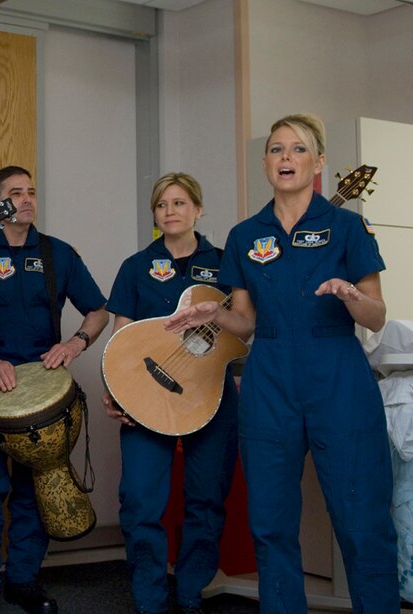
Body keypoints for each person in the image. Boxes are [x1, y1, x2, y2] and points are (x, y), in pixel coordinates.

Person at [166, 114, 398, 613]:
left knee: (362, 523)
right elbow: (245, 322)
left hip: (338, 377)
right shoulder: (247, 234)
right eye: (275, 149)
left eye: (297, 149)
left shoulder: (347, 227)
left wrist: (350, 293)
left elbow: (376, 317)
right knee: (270, 524)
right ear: (265, 162)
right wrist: (217, 311)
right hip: (269, 382)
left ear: (318, 163)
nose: (285, 158)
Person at [0, 165, 109, 614]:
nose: (26, 199)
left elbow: (98, 311)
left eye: (31, 191)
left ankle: (23, 579)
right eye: (15, 193)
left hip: (45, 389)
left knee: (37, 488)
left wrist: (76, 343)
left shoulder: (58, 255)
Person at [101, 172, 238, 614]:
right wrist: (116, 391)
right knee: (140, 501)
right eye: (162, 205)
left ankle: (191, 591)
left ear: (198, 210)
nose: (170, 212)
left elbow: (245, 327)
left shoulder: (227, 264)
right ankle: (150, 599)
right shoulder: (136, 266)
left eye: (180, 203)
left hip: (210, 395)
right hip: (147, 395)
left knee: (206, 499)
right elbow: (120, 339)